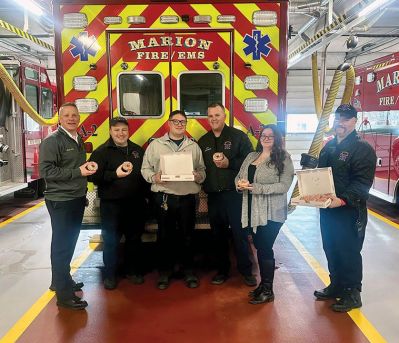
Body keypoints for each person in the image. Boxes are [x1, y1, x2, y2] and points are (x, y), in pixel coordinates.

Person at [314, 104, 376, 312]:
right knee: (330, 247)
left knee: (348, 251)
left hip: (349, 211)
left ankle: (352, 293)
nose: (341, 121)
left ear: (354, 121)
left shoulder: (362, 149)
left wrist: (341, 200)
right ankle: (336, 285)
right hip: (327, 209)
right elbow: (320, 175)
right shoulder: (329, 146)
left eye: (346, 118)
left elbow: (362, 183)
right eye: (339, 117)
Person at [39, 102, 96, 310]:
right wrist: (78, 173)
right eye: (67, 115)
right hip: (61, 201)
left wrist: (83, 172)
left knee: (69, 243)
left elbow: (73, 166)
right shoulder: (52, 141)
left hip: (75, 198)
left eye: (75, 115)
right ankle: (64, 296)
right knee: (62, 247)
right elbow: (47, 172)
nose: (72, 118)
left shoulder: (76, 137)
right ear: (59, 118)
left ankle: (61, 281)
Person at [141, 110, 206, 290]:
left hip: (187, 198)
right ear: (169, 124)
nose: (179, 125)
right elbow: (145, 169)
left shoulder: (193, 147)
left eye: (183, 122)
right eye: (176, 121)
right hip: (164, 198)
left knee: (188, 235)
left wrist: (198, 176)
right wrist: (155, 178)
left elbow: (203, 170)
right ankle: (165, 272)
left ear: (186, 125)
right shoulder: (156, 145)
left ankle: (189, 271)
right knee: (164, 236)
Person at [198, 103, 256, 286]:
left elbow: (250, 161)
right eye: (210, 116)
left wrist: (229, 163)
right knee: (218, 235)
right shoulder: (203, 141)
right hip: (214, 195)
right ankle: (222, 271)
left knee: (239, 234)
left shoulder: (238, 137)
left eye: (217, 115)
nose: (214, 118)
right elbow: (200, 166)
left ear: (224, 116)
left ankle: (246, 271)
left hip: (235, 194)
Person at [235, 124, 294, 304]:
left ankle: (268, 290)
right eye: (263, 135)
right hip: (252, 210)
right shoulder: (252, 156)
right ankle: (263, 285)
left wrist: (255, 188)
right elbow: (239, 175)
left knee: (265, 247)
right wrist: (239, 184)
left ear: (277, 139)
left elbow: (283, 186)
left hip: (272, 212)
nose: (266, 138)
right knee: (260, 246)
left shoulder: (283, 158)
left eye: (271, 136)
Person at [89, 117, 148, 290]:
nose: (120, 133)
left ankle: (132, 271)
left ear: (128, 131)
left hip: (135, 204)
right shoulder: (101, 152)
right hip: (111, 205)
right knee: (111, 241)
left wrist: (148, 199)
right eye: (116, 130)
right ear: (110, 131)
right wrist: (114, 174)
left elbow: (144, 177)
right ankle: (110, 275)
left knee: (134, 239)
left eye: (123, 130)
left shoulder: (137, 151)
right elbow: (93, 177)